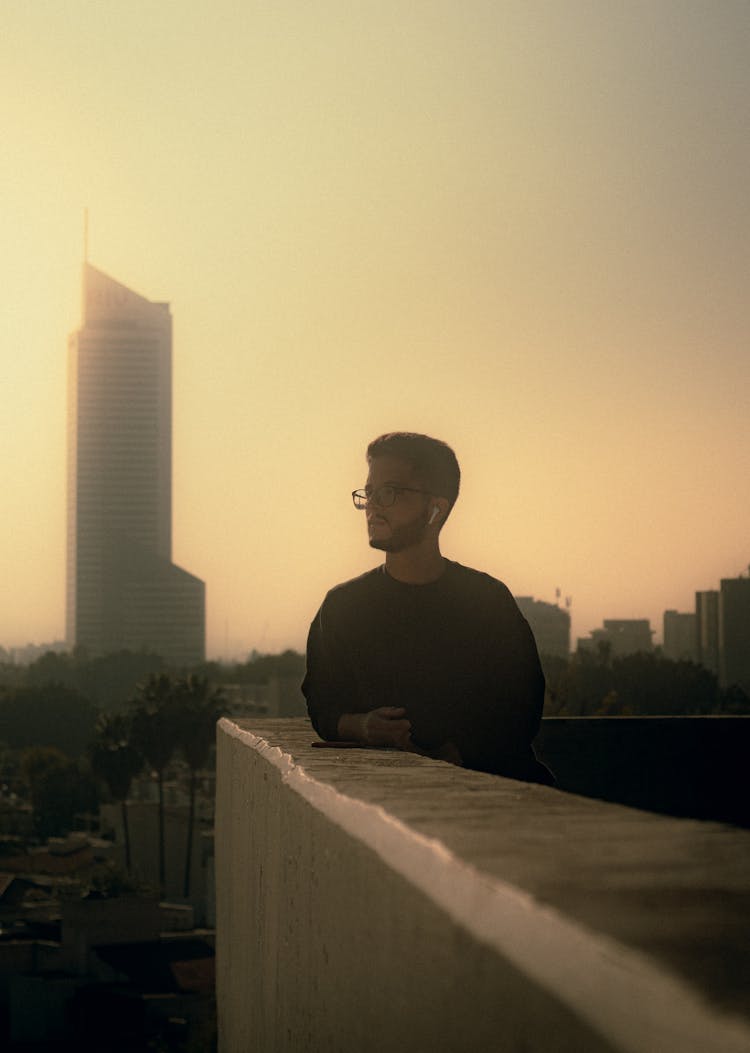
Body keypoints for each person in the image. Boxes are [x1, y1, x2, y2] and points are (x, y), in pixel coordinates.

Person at [302, 432, 553, 783]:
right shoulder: (343, 607)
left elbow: (522, 708)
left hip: (497, 800)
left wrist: (448, 759)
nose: (373, 505)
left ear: (437, 508)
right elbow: (323, 705)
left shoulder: (487, 601)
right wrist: (364, 727)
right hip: (389, 802)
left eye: (389, 492)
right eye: (369, 493)